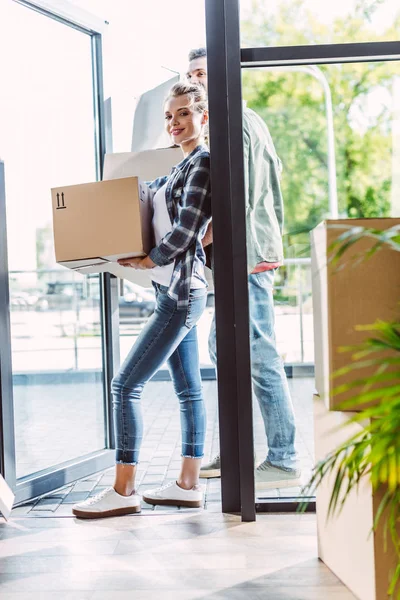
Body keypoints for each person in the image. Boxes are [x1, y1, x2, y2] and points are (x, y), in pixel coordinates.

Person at [72, 82, 211, 518]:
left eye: (184, 113)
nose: (175, 122)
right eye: (169, 116)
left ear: (203, 118)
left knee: (124, 385)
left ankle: (124, 488)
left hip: (180, 292)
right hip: (172, 292)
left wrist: (150, 259)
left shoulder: (202, 163)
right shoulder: (177, 167)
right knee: (188, 389)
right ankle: (188, 484)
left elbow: (187, 231)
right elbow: (142, 198)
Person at [187, 48, 301, 489]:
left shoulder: (237, 120)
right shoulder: (223, 123)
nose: (197, 80)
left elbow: (243, 195)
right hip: (244, 255)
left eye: (204, 73)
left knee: (257, 351)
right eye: (192, 74)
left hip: (250, 255)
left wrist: (197, 234)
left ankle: (285, 458)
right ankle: (237, 450)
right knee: (227, 348)